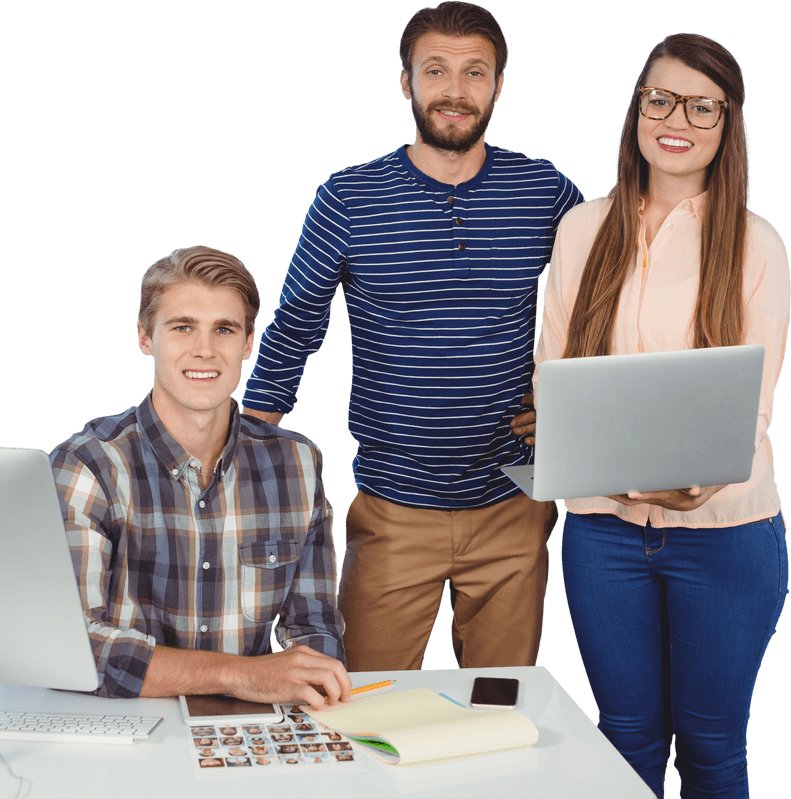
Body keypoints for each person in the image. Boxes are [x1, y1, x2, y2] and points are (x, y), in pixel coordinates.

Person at [242, 1, 583, 671]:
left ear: (499, 86)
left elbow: (606, 301)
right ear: (407, 83)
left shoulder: (544, 190)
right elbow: (294, 327)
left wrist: (577, 410)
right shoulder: (347, 197)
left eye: (475, 72)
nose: (455, 91)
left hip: (514, 505)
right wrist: (238, 454)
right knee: (363, 712)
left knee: (498, 714)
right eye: (436, 71)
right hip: (395, 513)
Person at [530, 33, 788, 798]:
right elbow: (555, 373)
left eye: (702, 105)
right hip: (604, 536)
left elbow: (754, 401)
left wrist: (699, 482)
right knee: (625, 742)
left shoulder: (756, 244)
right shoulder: (583, 228)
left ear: (727, 124)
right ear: (637, 108)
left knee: (711, 749)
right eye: (660, 97)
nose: (677, 118)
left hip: (726, 537)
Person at [50, 245, 351, 710]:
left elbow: (315, 629)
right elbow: (69, 645)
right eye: (183, 326)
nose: (205, 350)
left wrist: (308, 688)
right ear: (146, 338)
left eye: (224, 329)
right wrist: (240, 675)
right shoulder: (89, 465)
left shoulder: (298, 463)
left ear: (248, 343)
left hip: (252, 733)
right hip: (122, 725)